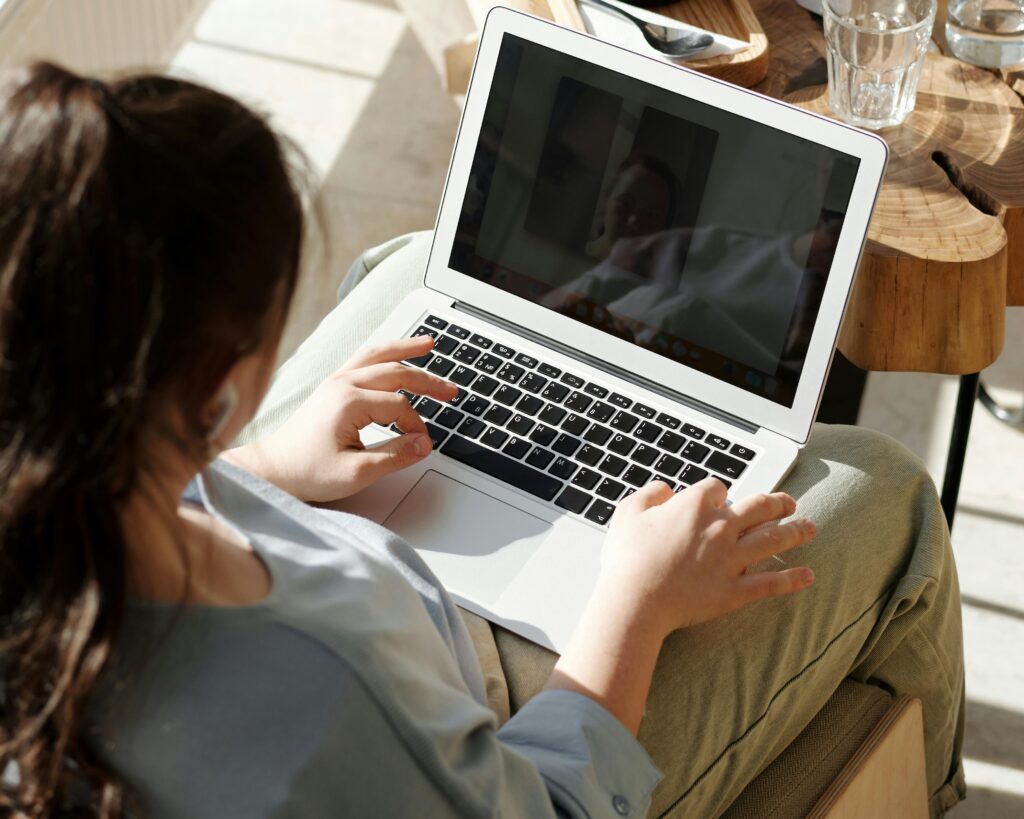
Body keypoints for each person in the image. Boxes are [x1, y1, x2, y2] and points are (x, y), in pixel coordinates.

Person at [0, 64, 965, 819]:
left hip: (338, 575)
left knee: (416, 263)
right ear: (217, 384)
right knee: (887, 487)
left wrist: (257, 472)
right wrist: (634, 603)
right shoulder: (329, 691)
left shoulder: (53, 492)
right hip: (498, 714)